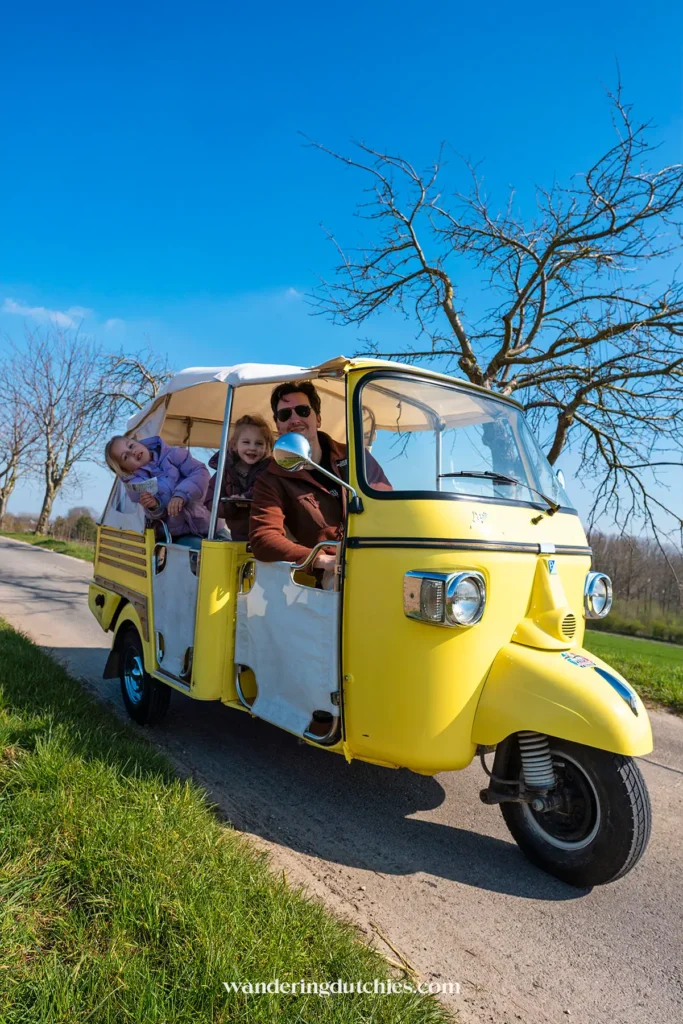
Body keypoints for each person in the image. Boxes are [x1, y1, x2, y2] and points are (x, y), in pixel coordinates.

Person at [249, 380, 391, 572]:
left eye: (303, 411)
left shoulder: (355, 458)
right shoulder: (271, 478)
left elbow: (386, 506)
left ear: (318, 419)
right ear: (278, 425)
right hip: (332, 573)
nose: (295, 418)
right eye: (285, 414)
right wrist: (320, 560)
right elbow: (263, 538)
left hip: (377, 555)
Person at [105, 435, 210, 547]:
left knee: (227, 547)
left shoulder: (173, 455)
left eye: (131, 446)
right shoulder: (138, 484)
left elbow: (200, 472)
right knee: (199, 551)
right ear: (126, 470)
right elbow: (158, 515)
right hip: (179, 533)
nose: (133, 452)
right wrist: (154, 506)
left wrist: (181, 495)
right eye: (125, 457)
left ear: (140, 443)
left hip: (208, 521)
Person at [204, 414, 272, 541]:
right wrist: (231, 505)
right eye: (246, 442)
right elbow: (210, 502)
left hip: (266, 533)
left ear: (266, 447)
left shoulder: (268, 470)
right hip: (237, 535)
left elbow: (264, 489)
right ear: (234, 445)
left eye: (259, 443)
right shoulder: (224, 473)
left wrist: (245, 498)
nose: (252, 448)